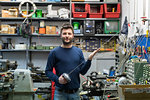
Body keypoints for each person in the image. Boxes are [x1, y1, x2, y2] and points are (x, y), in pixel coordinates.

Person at [45, 23, 100, 100]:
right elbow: (47, 71)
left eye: (69, 33)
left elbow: (83, 71)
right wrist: (58, 80)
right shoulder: (54, 52)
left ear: (73, 35)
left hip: (75, 94)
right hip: (60, 94)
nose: (67, 36)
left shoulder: (78, 51)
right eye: (64, 33)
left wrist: (89, 60)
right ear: (61, 35)